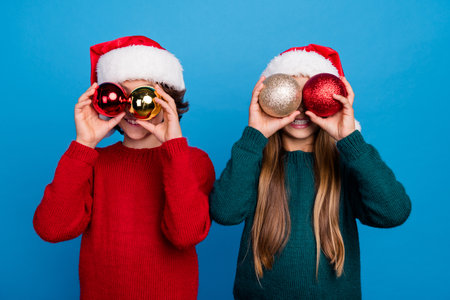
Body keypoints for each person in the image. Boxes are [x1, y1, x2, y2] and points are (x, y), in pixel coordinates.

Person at [209, 44, 411, 299]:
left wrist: (350, 139)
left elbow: (393, 212)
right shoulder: (253, 160)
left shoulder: (347, 163)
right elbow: (225, 212)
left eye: (313, 96)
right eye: (289, 95)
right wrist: (254, 136)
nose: (302, 108)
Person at [33, 36, 215, 300]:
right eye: (121, 97)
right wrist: (84, 144)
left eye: (144, 99)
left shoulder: (191, 161)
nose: (132, 109)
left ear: (168, 102)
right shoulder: (94, 162)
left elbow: (185, 235)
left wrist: (173, 147)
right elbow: (52, 229)